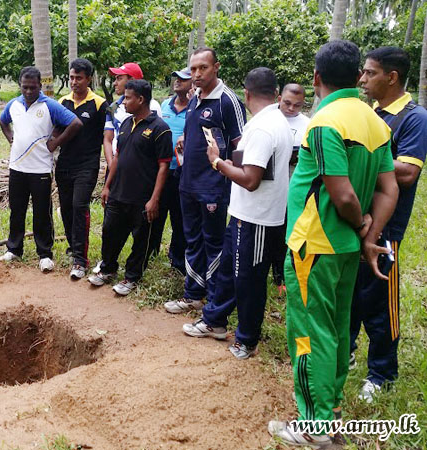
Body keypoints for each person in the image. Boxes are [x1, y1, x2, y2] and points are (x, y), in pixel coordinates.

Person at [268, 40, 399, 447]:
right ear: (357, 75)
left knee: (310, 334)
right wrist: (369, 236)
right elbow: (389, 188)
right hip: (344, 250)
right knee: (337, 330)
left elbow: (342, 195)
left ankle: (314, 426)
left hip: (315, 245)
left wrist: (359, 223)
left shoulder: (325, 122)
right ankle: (331, 412)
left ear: (316, 78)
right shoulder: (374, 122)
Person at [183, 67, 293, 360]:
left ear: (246, 94)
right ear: (276, 93)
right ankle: (215, 320)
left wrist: (218, 162)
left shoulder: (263, 127)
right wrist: (230, 163)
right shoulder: (273, 121)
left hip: (258, 218)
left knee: (249, 281)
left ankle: (247, 339)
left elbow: (251, 180)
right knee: (229, 272)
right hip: (244, 214)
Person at [350, 46, 427, 403]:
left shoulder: (414, 118)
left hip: (387, 228)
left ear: (392, 77)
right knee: (352, 295)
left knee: (381, 302)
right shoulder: (372, 113)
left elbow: (408, 172)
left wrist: (360, 153)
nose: (363, 79)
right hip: (358, 220)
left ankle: (382, 374)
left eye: (370, 73)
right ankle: (347, 353)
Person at [164, 47, 246, 314]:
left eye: (203, 68)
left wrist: (233, 177)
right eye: (193, 69)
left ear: (216, 67)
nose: (197, 74)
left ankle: (214, 300)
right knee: (192, 239)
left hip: (214, 187)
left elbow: (241, 145)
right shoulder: (194, 98)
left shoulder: (227, 101)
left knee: (214, 242)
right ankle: (192, 295)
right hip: (188, 183)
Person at [88, 80, 171, 296]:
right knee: (110, 232)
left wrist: (154, 199)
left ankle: (132, 277)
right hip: (118, 192)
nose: (123, 102)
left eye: (127, 98)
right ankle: (108, 269)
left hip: (143, 197)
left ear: (141, 99)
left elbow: (164, 166)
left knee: (141, 239)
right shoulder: (126, 124)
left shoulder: (160, 129)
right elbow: (117, 157)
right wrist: (107, 186)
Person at [0, 66, 83, 272]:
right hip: (17, 167)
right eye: (25, 87)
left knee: (42, 213)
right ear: (20, 85)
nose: (28, 91)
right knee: (16, 210)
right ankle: (14, 249)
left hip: (40, 169)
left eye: (33, 87)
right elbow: (3, 121)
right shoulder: (13, 104)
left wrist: (56, 142)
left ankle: (44, 254)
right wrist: (10, 138)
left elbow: (75, 123)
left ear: (40, 86)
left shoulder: (49, 105)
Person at [57, 58, 108, 280]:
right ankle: (73, 246)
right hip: (64, 164)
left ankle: (80, 260)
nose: (74, 82)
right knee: (66, 209)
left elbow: (108, 136)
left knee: (79, 207)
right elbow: (55, 130)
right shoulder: (62, 102)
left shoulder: (99, 104)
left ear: (89, 79)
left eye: (79, 78)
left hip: (87, 165)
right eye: (71, 77)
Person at [270, 83, 311, 290]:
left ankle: (282, 276)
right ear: (279, 99)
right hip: (269, 187)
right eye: (287, 103)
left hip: (294, 188)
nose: (291, 108)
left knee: (287, 232)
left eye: (297, 105)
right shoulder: (269, 119)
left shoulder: (308, 125)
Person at [150, 67, 191, 274]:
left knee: (179, 216)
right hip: (162, 169)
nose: (177, 81)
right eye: (176, 78)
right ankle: (151, 252)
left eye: (183, 79)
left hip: (182, 172)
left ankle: (177, 258)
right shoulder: (165, 105)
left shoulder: (194, 108)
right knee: (157, 211)